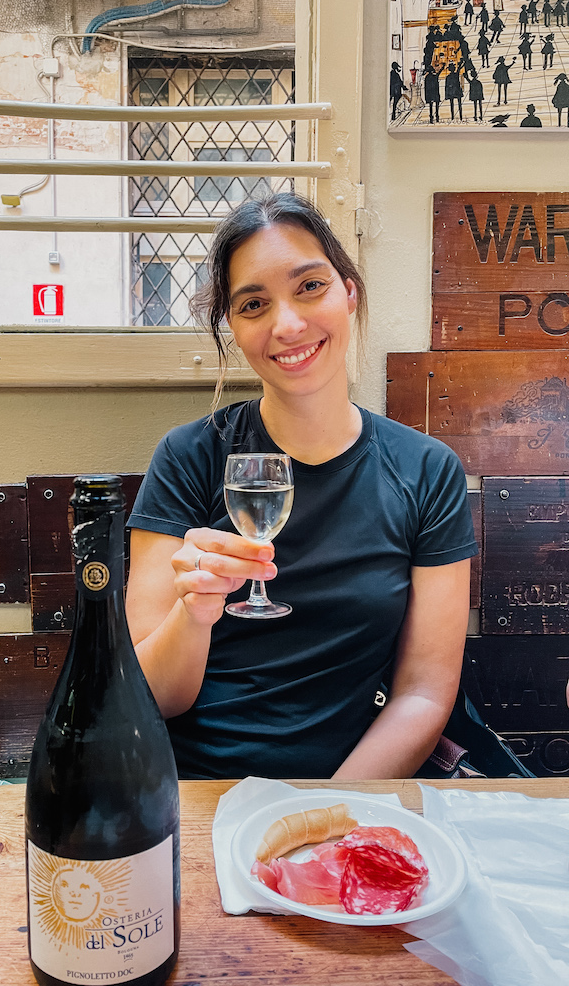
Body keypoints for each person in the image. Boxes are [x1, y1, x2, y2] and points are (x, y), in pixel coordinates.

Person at [126, 193, 477, 780]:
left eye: (310, 286)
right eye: (254, 304)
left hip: (353, 794)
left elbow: (421, 696)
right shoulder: (189, 458)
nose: (287, 324)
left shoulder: (426, 471)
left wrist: (319, 814)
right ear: (233, 329)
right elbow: (153, 698)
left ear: (349, 292)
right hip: (194, 791)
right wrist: (194, 610)